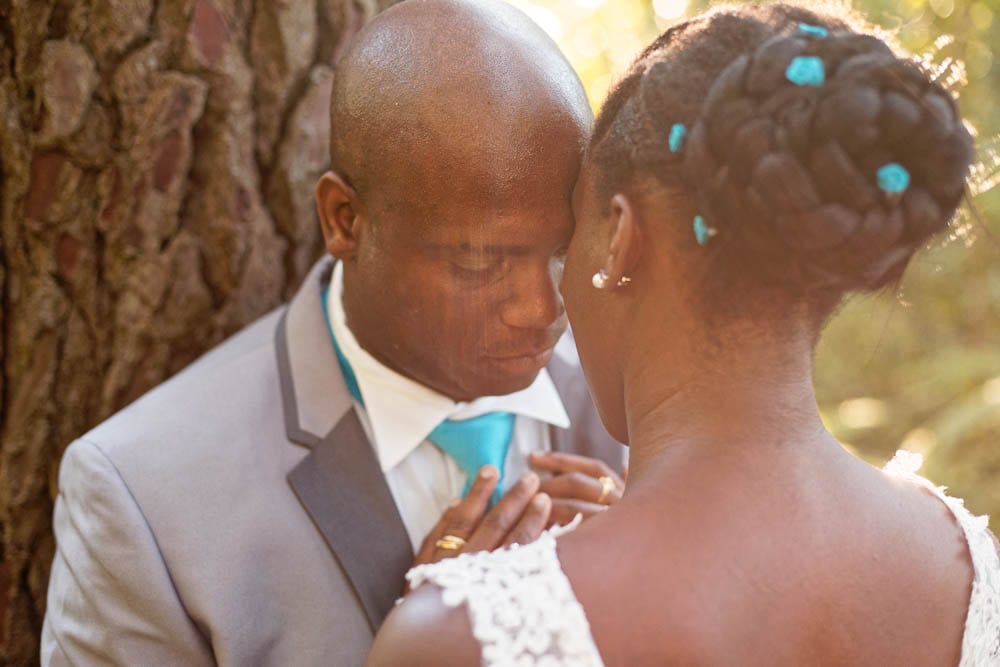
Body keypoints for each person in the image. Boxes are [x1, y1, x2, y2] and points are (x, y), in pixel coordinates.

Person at [366, 3, 1000, 665]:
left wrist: (450, 605)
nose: (551, 293)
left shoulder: (458, 633)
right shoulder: (968, 566)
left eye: (567, 239)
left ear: (619, 237)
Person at [40, 1, 625, 664]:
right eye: (479, 260)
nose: (543, 305)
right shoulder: (143, 503)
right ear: (344, 218)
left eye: (564, 248)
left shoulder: (640, 406)